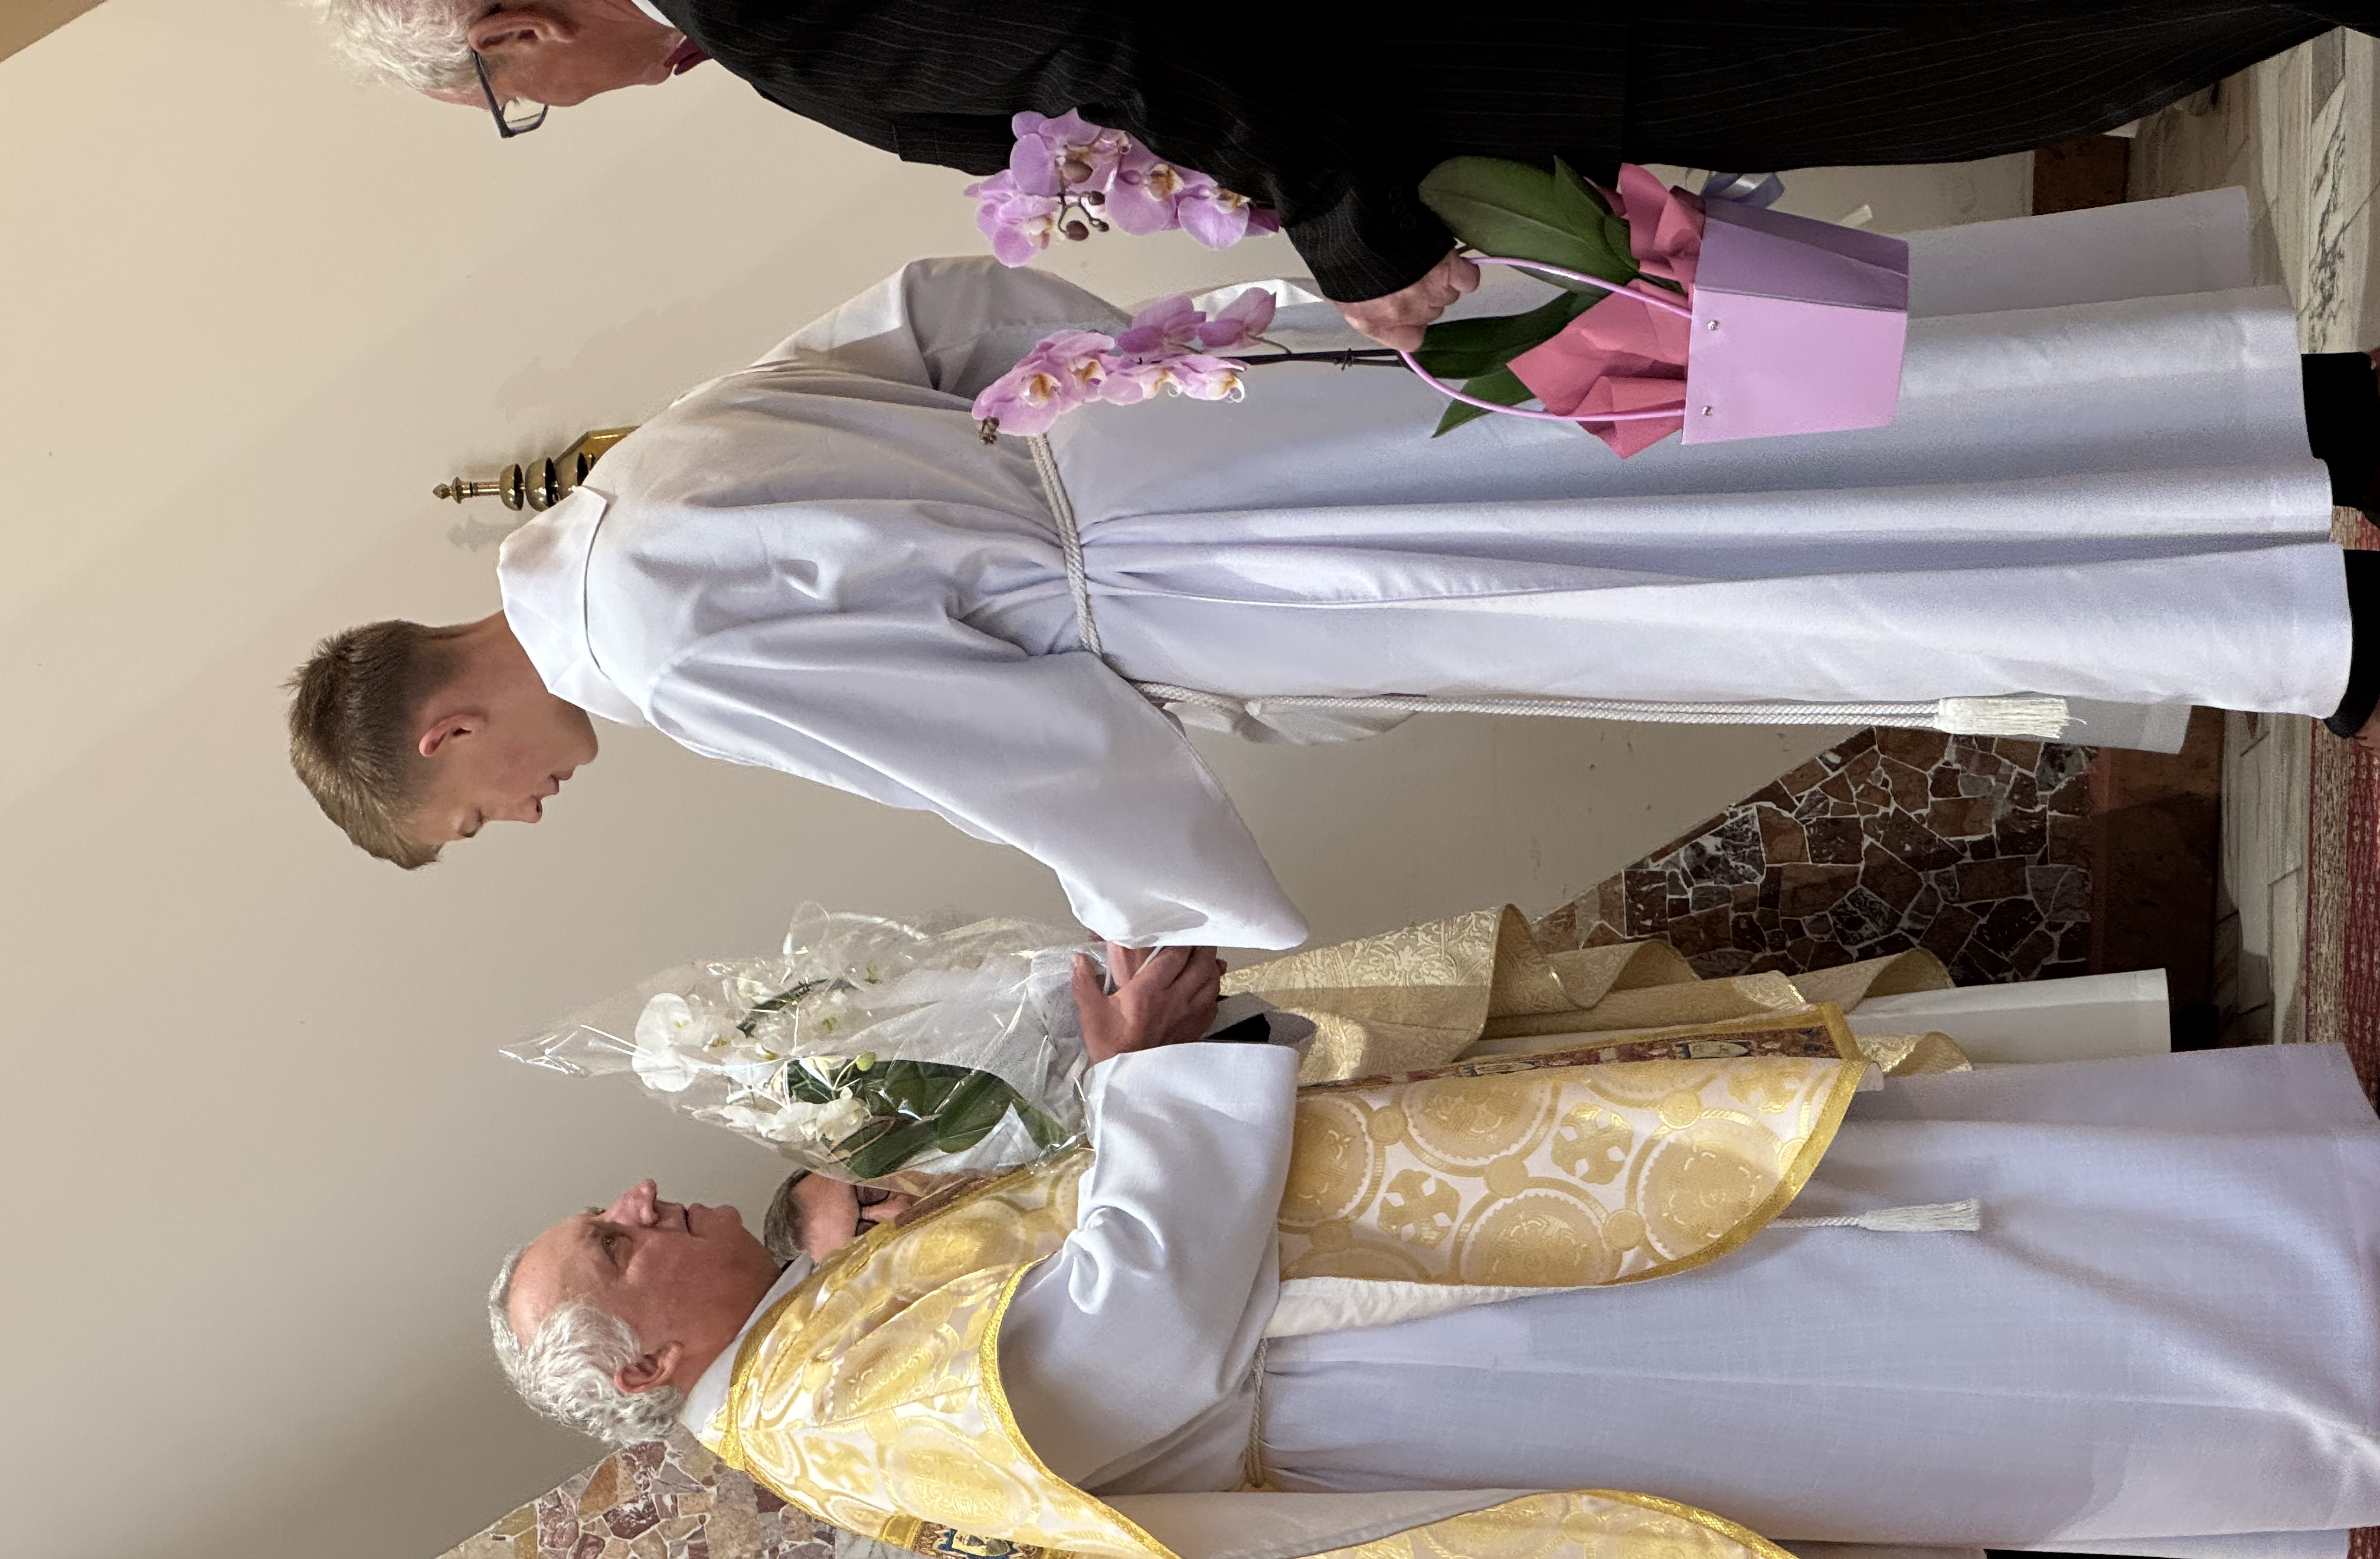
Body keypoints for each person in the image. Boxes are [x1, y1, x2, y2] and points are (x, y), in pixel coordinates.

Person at [289, 192, 2377, 949]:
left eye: (477, 816)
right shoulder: (640, 480)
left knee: (1724, 570)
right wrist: (1120, 403)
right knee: (1694, 401)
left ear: (445, 728)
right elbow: (937, 308)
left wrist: (1183, 935)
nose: (525, 816)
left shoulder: (655, 648)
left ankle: (2290, 580)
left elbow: (1011, 750)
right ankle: (2258, 412)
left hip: (1233, 559)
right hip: (1206, 420)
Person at [484, 919, 2380, 1559]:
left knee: (1908, 1239)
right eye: (613, 1243)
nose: (642, 1201)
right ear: (651, 1359)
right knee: (1915, 1313)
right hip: (1433, 1346)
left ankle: (2302, 1266)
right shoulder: (815, 1409)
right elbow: (1123, 1363)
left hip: (1416, 1297)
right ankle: (2322, 1328)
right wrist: (1148, 1090)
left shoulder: (811, 1355)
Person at [306, 0, 2380, 346]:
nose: (569, 104)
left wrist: (1356, 239)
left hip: (1491, 40)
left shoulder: (783, 21)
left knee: (1993, 47)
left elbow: (1120, 45)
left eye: (518, 99)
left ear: (514, 32)